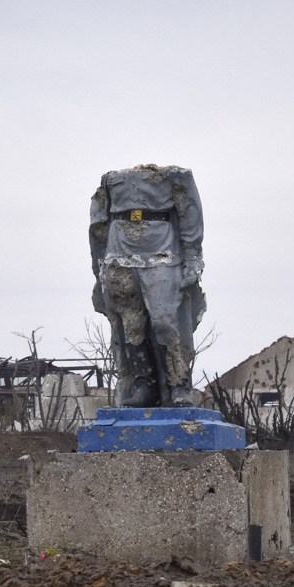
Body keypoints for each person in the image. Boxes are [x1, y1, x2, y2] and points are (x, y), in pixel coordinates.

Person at [89, 164, 205, 407]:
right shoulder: (109, 182)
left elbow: (189, 210)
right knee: (131, 323)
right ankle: (144, 384)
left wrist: (193, 256)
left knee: (164, 320)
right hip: (119, 251)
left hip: (161, 250)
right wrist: (100, 267)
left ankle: (177, 384)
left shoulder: (175, 178)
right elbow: (98, 221)